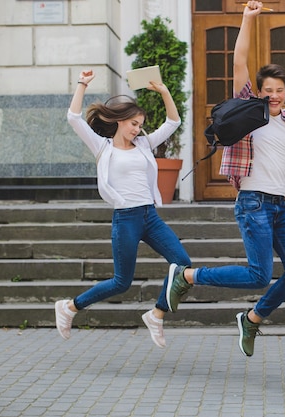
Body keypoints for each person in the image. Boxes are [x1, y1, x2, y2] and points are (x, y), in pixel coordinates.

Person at [163, 0, 285, 357]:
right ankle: (186, 276)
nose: (274, 96)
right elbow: (238, 61)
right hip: (252, 202)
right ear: (259, 92)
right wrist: (247, 18)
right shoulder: (249, 112)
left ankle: (252, 318)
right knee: (259, 275)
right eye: (268, 90)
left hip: (278, 205)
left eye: (279, 90)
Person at [55, 69, 191, 347]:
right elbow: (73, 118)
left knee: (182, 264)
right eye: (132, 123)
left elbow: (173, 122)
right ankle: (70, 307)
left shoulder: (144, 144)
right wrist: (82, 84)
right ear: (118, 121)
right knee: (121, 282)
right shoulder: (102, 147)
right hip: (126, 218)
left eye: (140, 124)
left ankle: (156, 314)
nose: (137, 129)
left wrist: (164, 91)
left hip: (149, 217)